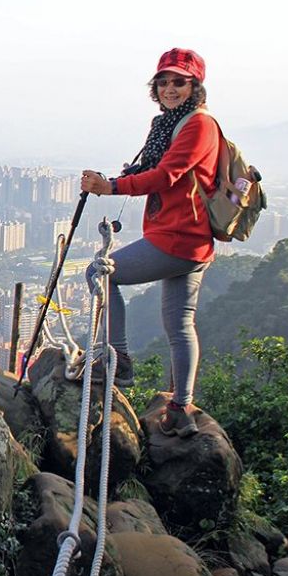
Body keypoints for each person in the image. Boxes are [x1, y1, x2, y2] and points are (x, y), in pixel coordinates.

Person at [80, 48, 220, 438]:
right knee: (179, 323)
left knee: (100, 273)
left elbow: (166, 176)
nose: (170, 88)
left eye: (180, 81)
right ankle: (181, 407)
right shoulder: (168, 124)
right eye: (164, 81)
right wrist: (116, 179)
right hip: (189, 240)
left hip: (178, 239)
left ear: (195, 87)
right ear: (154, 87)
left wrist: (111, 188)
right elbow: (151, 169)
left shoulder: (198, 125)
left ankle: (118, 357)